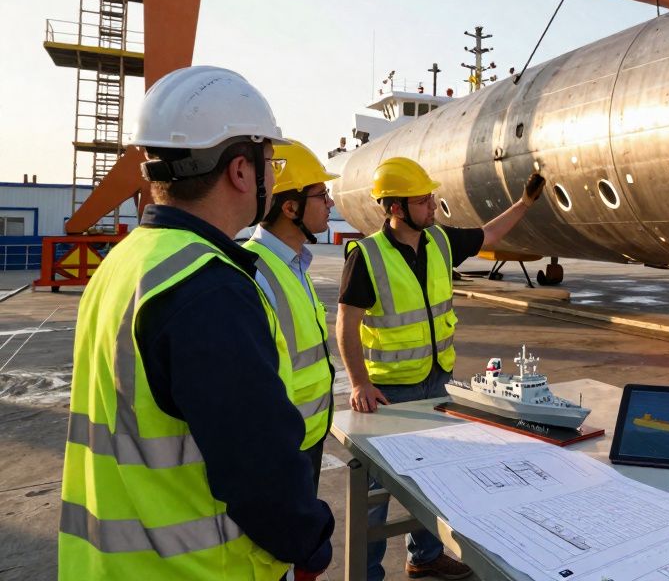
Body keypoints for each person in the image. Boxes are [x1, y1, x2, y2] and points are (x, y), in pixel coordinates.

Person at [58, 66, 333, 580]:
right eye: (269, 161)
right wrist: (311, 541)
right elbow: (259, 469)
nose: (272, 177)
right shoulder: (209, 286)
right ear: (240, 170)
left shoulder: (127, 262)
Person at [336, 157, 545, 580]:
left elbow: (489, 234)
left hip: (437, 382)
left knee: (433, 477)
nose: (433, 205)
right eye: (423, 200)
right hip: (389, 391)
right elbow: (347, 323)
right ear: (395, 208)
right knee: (375, 493)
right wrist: (359, 382)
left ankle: (424, 556)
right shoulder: (367, 256)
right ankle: (368, 573)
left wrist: (524, 202)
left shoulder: (440, 241)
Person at [244, 139, 338, 491]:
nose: (330, 203)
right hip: (279, 452)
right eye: (322, 194)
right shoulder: (253, 272)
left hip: (306, 439)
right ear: (290, 208)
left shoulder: (294, 264)